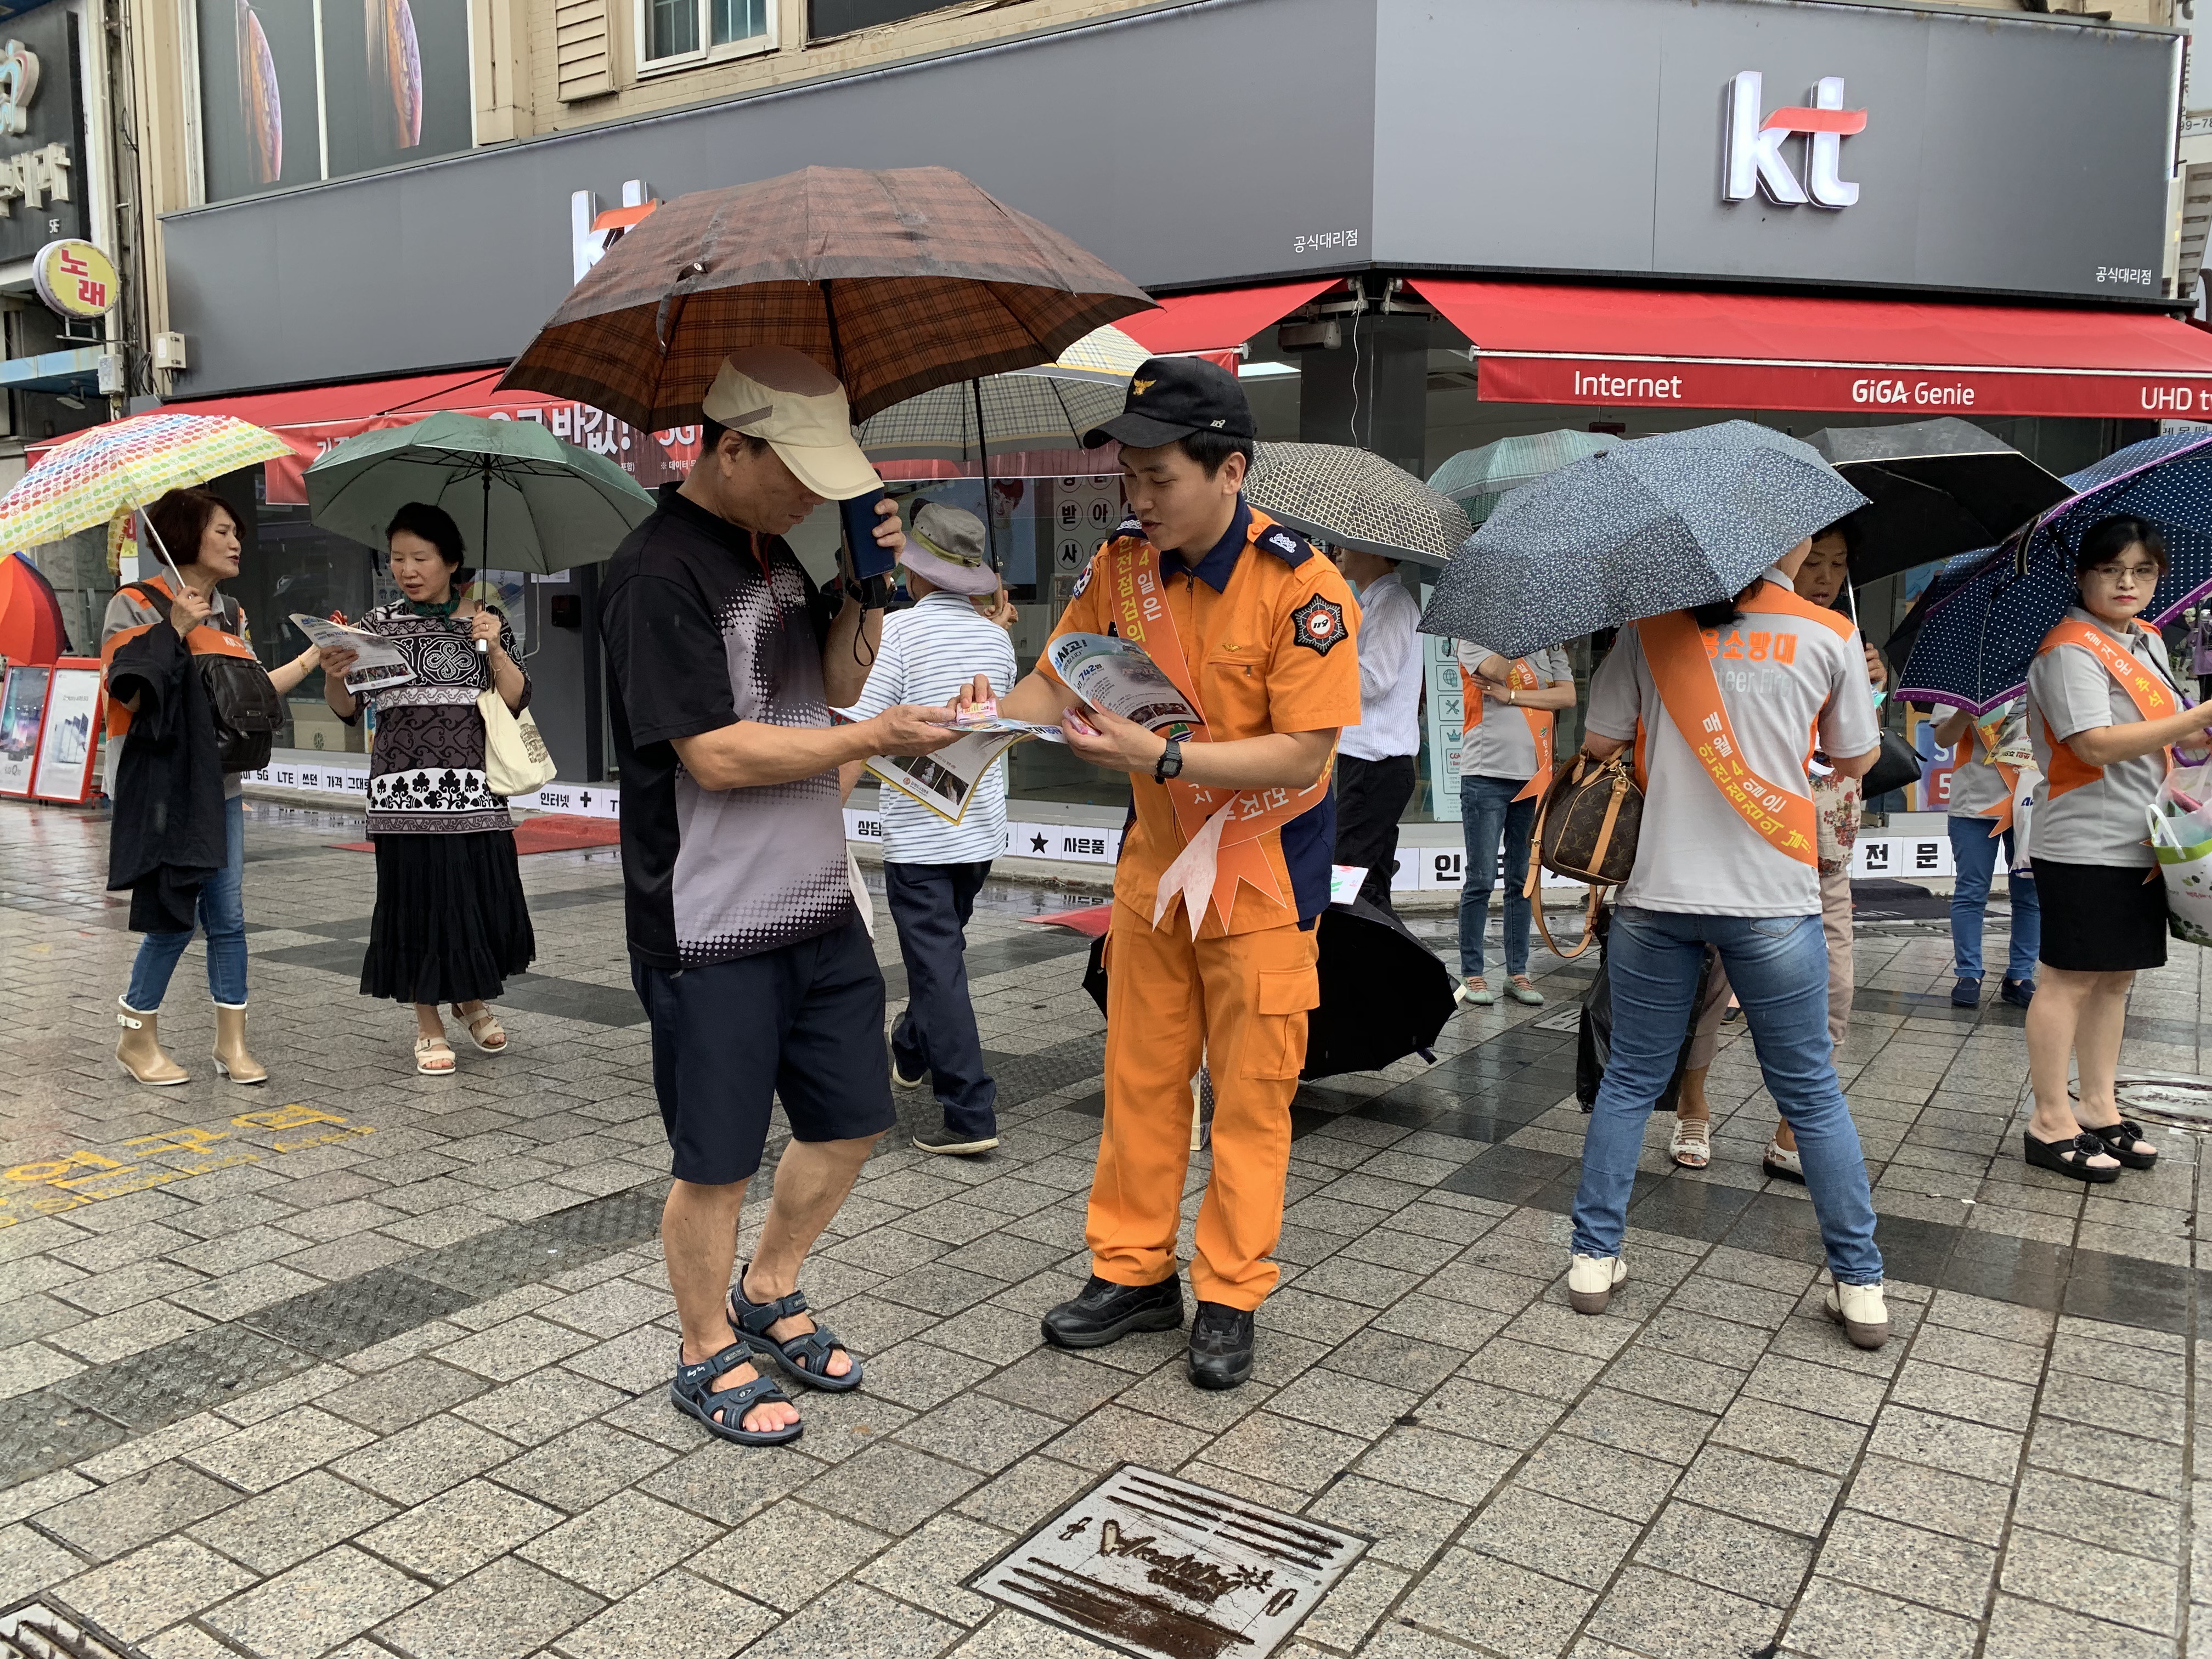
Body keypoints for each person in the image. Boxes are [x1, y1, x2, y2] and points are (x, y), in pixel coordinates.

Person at [601, 346, 966, 1447]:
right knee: (716, 1156)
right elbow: (714, 753)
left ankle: (769, 1284)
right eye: (797, 474)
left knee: (853, 1118)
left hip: (815, 894)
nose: (813, 496)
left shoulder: (781, 556)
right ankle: (702, 1343)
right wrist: (873, 738)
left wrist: (868, 588)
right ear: (730, 448)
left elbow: (831, 689)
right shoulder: (656, 570)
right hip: (709, 916)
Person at [992, 357, 1361, 1391]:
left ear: (1229, 470)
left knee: (1251, 1096)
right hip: (1155, 874)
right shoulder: (1122, 567)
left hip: (1264, 881)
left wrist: (1161, 758)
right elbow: (1055, 676)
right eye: (1128, 477)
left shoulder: (1304, 588)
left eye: (1158, 478)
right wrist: (973, 726)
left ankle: (1231, 1293)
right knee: (1141, 1079)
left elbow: (1304, 754)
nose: (1139, 498)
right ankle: (1133, 1271)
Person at [1570, 534, 1891, 1350]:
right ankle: (1860, 1286)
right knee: (1810, 1091)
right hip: (1775, 899)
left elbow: (1599, 744)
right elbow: (1857, 759)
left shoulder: (1649, 628)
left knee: (1631, 1079)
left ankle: (1593, 1260)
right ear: (1793, 539)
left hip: (1657, 894)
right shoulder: (1829, 632)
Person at [1669, 523, 1880, 1177]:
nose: (1825, 577)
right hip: (1739, 837)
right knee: (1710, 980)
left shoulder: (1841, 639)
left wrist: (1870, 685)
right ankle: (1693, 1105)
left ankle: (1796, 1124)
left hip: (1822, 847)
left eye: (1839, 564)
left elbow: (1856, 755)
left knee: (1834, 983)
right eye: (1814, 561)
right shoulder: (1723, 629)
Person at [104, 487, 322, 1086]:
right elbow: (130, 695)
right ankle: (136, 1036)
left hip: (219, 785)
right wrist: (174, 628)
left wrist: (315, 658)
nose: (235, 542)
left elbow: (248, 695)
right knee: (174, 915)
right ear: (185, 535)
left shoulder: (231, 612)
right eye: (222, 531)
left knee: (228, 915)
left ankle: (232, 1044)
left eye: (237, 533)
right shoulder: (134, 604)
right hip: (161, 789)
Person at [2021, 516, 2212, 1182]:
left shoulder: (2148, 639)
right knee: (2069, 978)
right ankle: (2050, 1120)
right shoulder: (2068, 649)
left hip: (2143, 838)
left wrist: (2194, 735)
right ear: (2083, 576)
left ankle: (2098, 1107)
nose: (2128, 583)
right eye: (2111, 570)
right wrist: (2195, 717)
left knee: (2116, 978)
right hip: (2085, 840)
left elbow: (2160, 733)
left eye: (2143, 570)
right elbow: (2093, 744)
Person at [318, 504, 536, 1076]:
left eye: (421, 557)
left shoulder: (486, 620)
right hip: (403, 796)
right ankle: (428, 1024)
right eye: (397, 558)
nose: (407, 570)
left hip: (476, 793)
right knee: (417, 907)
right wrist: (334, 676)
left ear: (452, 561)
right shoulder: (375, 625)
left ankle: (469, 999)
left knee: (474, 903)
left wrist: (495, 646)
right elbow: (348, 709)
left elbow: (517, 698)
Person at [842, 501, 1018, 1156]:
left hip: (921, 836)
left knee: (938, 967)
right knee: (940, 958)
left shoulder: (896, 633)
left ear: (914, 572)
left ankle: (970, 1113)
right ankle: (911, 1047)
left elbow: (858, 733)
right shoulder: (996, 640)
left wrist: (822, 816)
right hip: (981, 831)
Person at [1453, 636, 1574, 1006]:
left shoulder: (1549, 643)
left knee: (1521, 880)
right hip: (1485, 774)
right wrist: (1517, 635)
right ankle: (1472, 972)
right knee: (1481, 878)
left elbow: (1567, 696)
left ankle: (1517, 972)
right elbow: (1494, 670)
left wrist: (1512, 696)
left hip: (1534, 777)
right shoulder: (1474, 636)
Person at [1928, 698, 2040, 1008]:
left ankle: (2021, 976)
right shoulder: (1967, 676)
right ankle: (1968, 974)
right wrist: (1965, 712)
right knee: (1971, 890)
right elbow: (1943, 739)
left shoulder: (2047, 673)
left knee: (2030, 892)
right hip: (1973, 801)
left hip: (2031, 800)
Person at [1331, 545, 1420, 912]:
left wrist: (1327, 653)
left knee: (1345, 881)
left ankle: (1354, 947)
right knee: (1369, 885)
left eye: (1347, 544)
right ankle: (1386, 949)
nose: (1338, 550)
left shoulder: (1391, 604)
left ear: (1376, 550)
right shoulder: (1372, 603)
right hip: (1370, 762)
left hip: (1376, 762)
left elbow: (1373, 682)